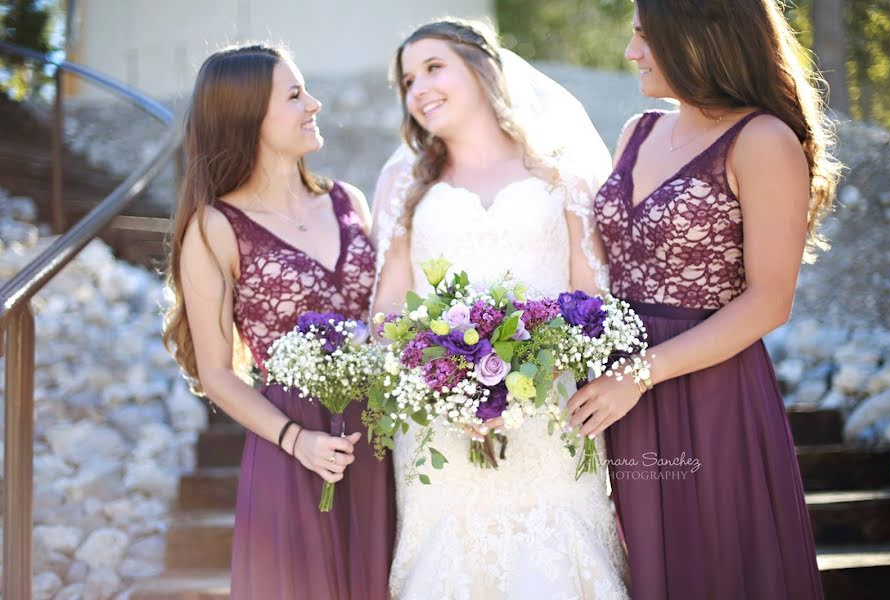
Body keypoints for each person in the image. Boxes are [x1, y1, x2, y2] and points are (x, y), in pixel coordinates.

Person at [569, 1, 840, 598]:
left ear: (699, 39)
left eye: (645, 37)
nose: (630, 53)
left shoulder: (762, 139)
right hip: (617, 387)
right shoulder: (637, 132)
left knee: (710, 563)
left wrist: (638, 376)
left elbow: (770, 302)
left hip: (709, 392)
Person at [371, 18, 629, 599]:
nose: (419, 89)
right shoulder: (406, 184)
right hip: (440, 426)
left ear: (483, 68)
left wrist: (540, 375)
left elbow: (594, 297)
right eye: (408, 80)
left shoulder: (559, 171)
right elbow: (386, 310)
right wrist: (441, 384)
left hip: (554, 414)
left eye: (434, 68)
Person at [162, 43, 394, 599]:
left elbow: (387, 314)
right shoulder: (215, 228)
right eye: (294, 95)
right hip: (294, 449)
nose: (314, 103)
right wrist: (297, 441)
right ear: (247, 118)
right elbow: (216, 374)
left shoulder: (349, 201)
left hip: (384, 433)